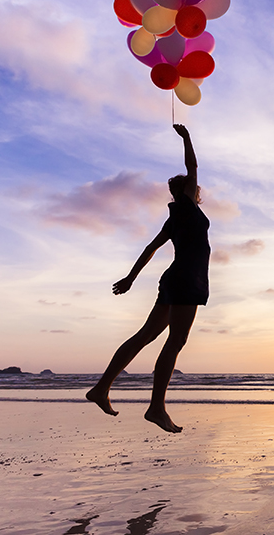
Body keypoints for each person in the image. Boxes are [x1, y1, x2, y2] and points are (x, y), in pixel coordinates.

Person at [86, 124, 209, 433]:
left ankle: (101, 388)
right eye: (193, 187)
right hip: (185, 280)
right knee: (175, 340)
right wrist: (187, 138)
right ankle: (156, 408)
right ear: (187, 191)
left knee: (146, 335)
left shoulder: (174, 217)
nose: (197, 189)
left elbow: (150, 248)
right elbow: (192, 166)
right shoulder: (186, 207)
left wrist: (130, 278)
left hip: (174, 280)